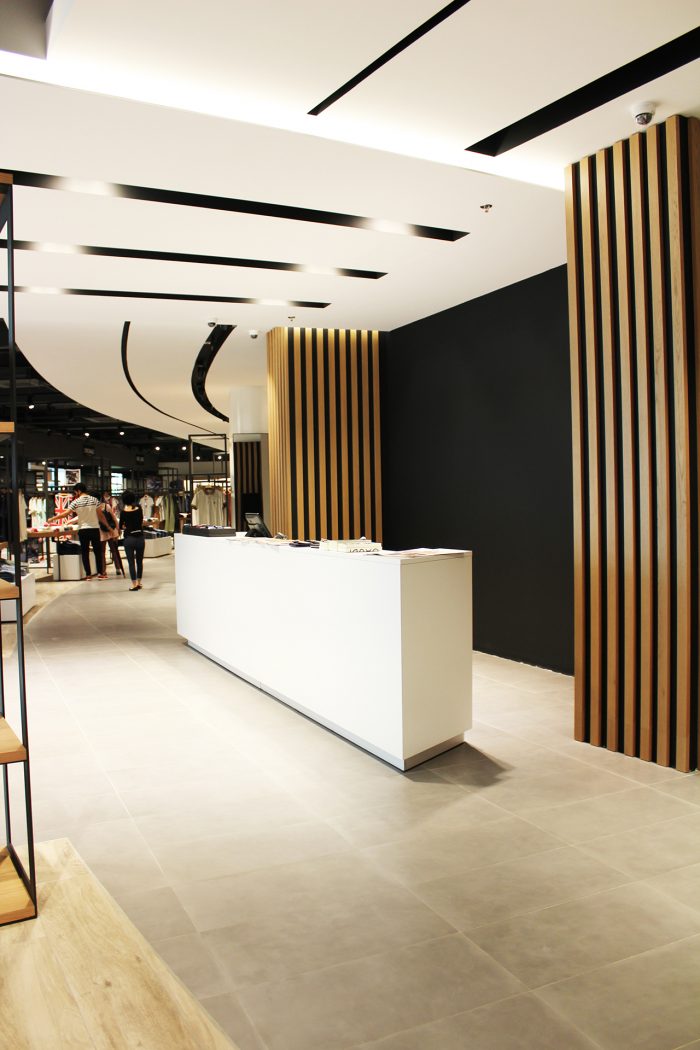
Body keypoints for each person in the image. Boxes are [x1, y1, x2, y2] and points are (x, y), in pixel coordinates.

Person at [46, 483, 106, 580]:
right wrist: (107, 526)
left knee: (85, 552)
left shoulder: (76, 502)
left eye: (75, 492)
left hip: (83, 530)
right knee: (97, 552)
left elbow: (65, 514)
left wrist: (53, 518)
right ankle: (100, 573)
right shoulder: (94, 500)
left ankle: (88, 575)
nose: (75, 494)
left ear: (78, 491)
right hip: (94, 529)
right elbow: (101, 515)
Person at [119, 490, 144, 591]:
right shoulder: (139, 509)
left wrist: (126, 526)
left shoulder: (123, 512)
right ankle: (139, 582)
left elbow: (120, 526)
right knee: (139, 561)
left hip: (129, 538)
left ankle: (134, 584)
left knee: (131, 562)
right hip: (140, 537)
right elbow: (141, 521)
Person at [97, 492, 125, 577]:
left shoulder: (94, 508)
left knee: (102, 552)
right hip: (111, 531)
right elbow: (114, 518)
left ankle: (103, 570)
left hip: (101, 531)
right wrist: (118, 528)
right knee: (114, 550)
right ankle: (118, 568)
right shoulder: (107, 506)